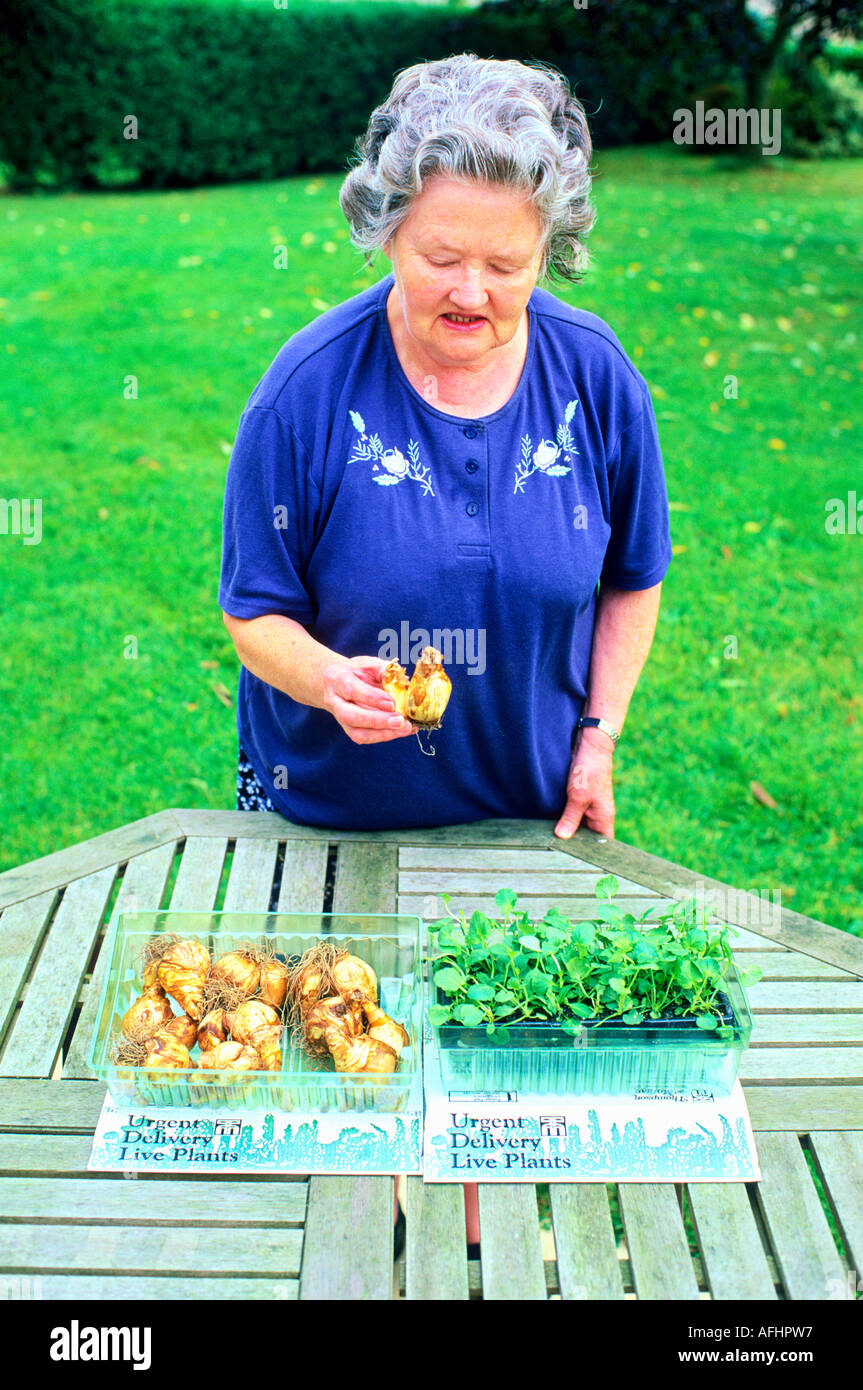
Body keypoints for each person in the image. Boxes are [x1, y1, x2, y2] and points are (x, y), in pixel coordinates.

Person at [219, 52, 673, 1256]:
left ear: (549, 252)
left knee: (499, 1132)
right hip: (328, 816)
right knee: (329, 1127)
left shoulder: (592, 380)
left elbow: (633, 574)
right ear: (383, 234)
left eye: (504, 263)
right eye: (439, 256)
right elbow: (251, 609)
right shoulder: (303, 395)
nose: (469, 289)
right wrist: (324, 678)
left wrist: (597, 738)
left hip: (519, 816)